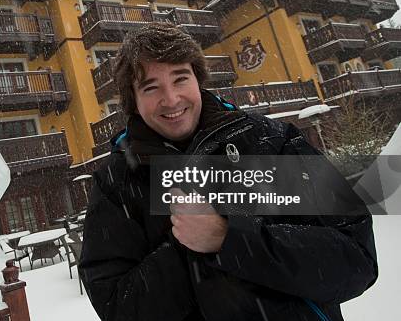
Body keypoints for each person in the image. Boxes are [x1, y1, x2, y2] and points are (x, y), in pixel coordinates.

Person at [78, 22, 377, 321]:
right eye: (151, 87)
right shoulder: (116, 182)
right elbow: (117, 308)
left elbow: (356, 257)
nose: (170, 99)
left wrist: (230, 239)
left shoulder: (269, 141)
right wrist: (184, 249)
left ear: (198, 79)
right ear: (134, 101)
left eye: (180, 79)